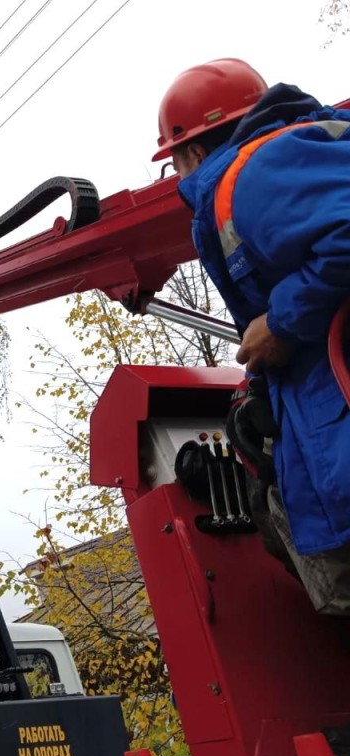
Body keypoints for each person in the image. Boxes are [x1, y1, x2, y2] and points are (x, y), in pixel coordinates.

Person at [154, 58, 350, 614]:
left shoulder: (255, 177)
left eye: (174, 164)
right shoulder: (308, 150)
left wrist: (281, 324)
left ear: (189, 152)